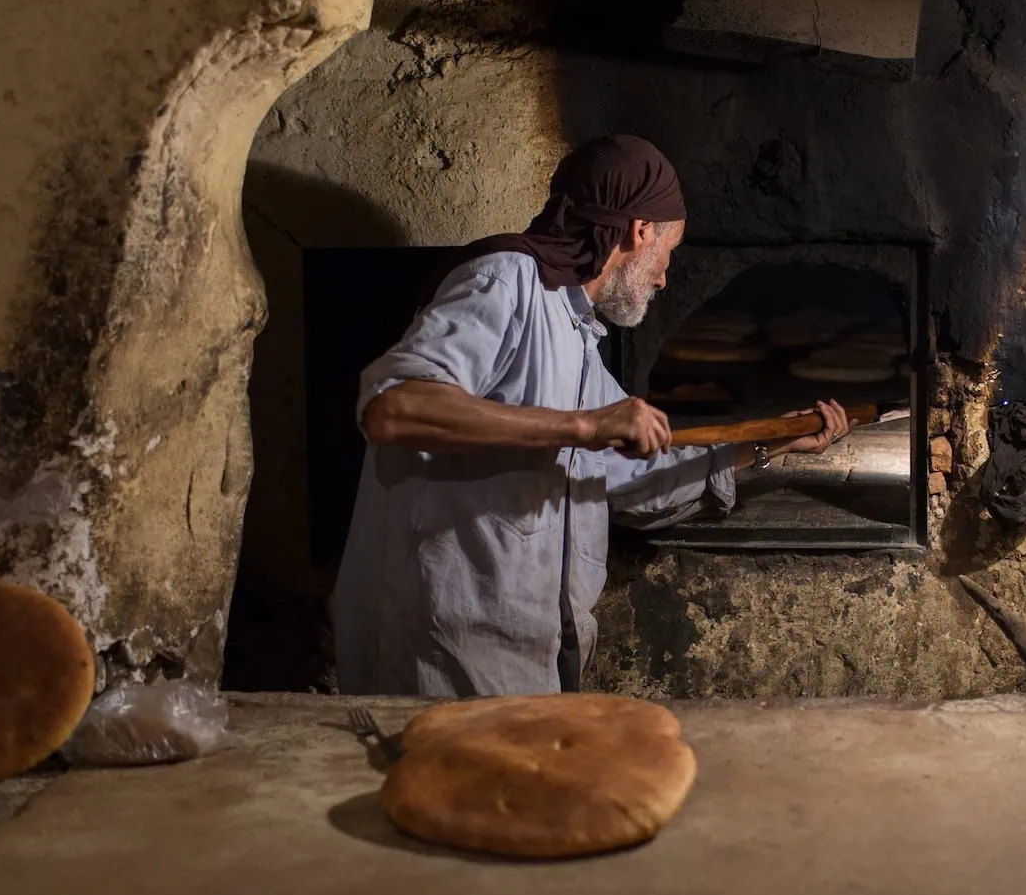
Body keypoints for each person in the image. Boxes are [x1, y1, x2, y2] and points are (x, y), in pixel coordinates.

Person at [331, 134, 850, 697]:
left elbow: (639, 480)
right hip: (443, 653)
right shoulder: (507, 282)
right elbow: (397, 406)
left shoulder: (577, 337)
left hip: (524, 658)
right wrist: (585, 427)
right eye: (668, 253)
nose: (663, 277)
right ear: (639, 231)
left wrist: (773, 447)